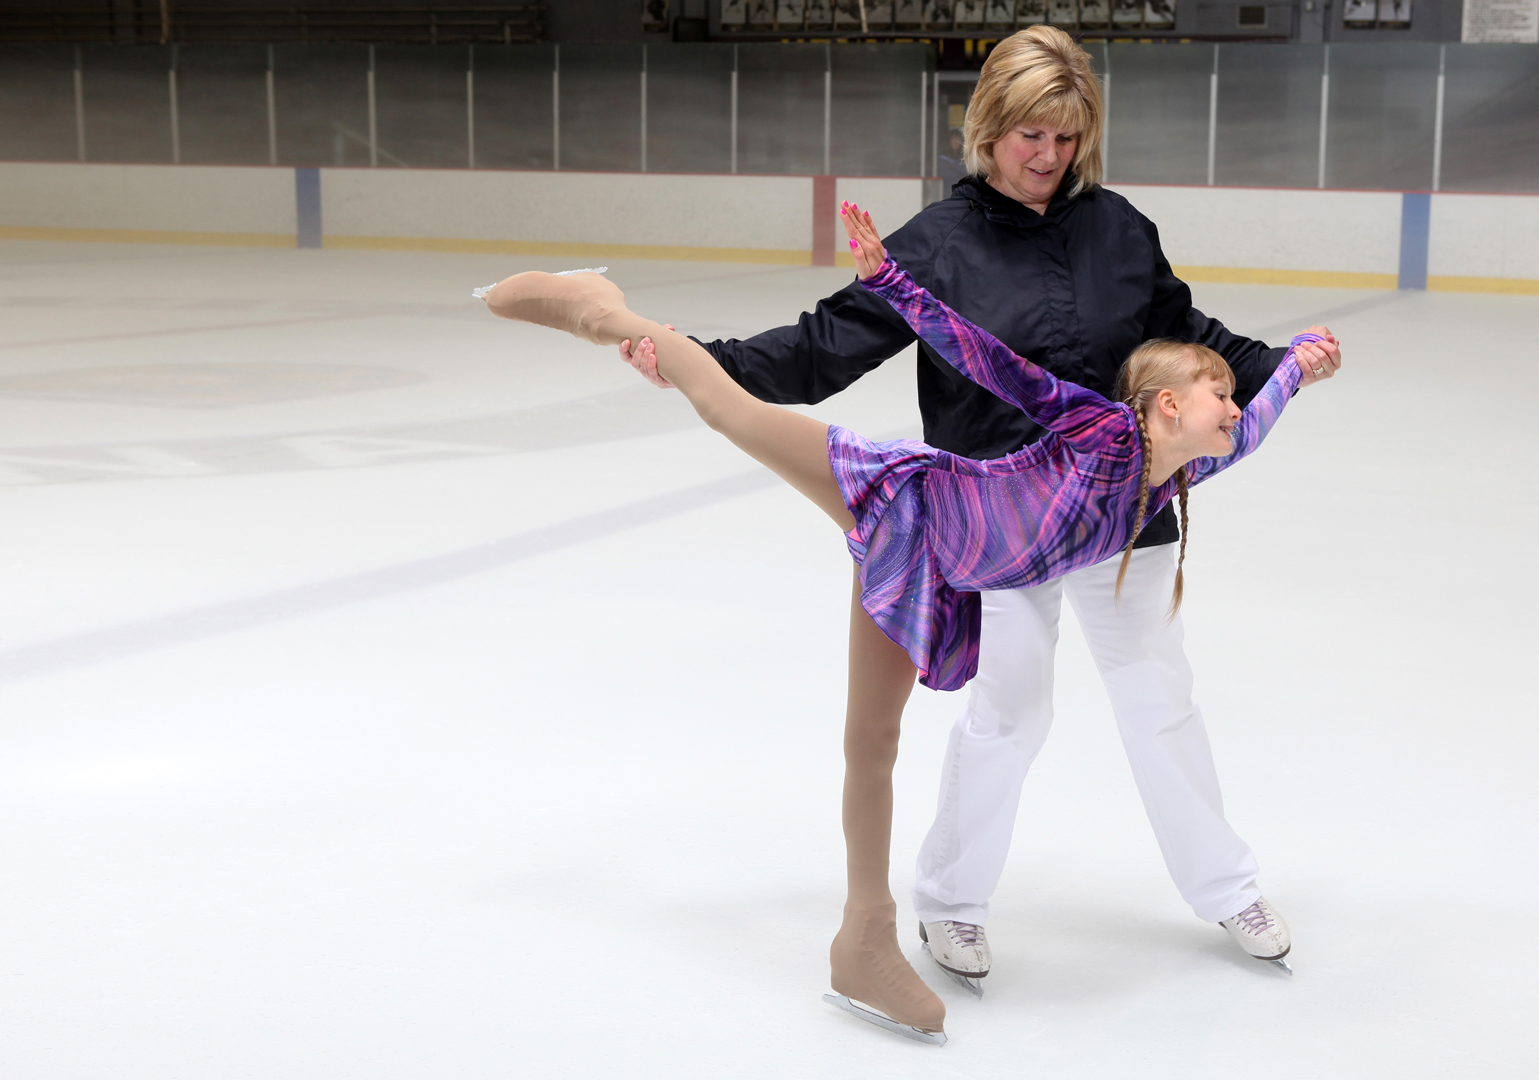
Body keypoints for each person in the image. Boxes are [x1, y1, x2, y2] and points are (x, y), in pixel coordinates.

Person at [481, 202, 1339, 1043]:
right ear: (1159, 405)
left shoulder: (1170, 479)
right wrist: (893, 280)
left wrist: (1298, 360)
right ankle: (599, 310)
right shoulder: (1093, 427)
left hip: (939, 574)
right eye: (1217, 393)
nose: (1234, 406)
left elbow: (1263, 416)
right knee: (728, 410)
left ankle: (860, 941)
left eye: (1231, 397)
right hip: (908, 498)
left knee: (872, 739)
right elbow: (993, 363)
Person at [620, 24, 1343, 1001]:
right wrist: (694, 358)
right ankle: (951, 899)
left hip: (1126, 517)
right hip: (1001, 521)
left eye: (1064, 136)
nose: (1046, 156)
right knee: (1010, 711)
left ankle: (1226, 886)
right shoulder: (938, 245)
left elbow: (1187, 330)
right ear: (988, 128)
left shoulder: (1116, 227)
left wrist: (1279, 363)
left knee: (1157, 699)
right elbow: (817, 348)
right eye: (1027, 135)